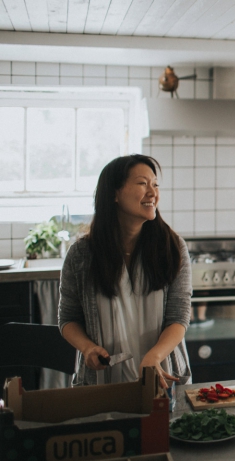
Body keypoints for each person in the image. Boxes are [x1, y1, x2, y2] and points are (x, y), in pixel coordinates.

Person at [59, 155, 192, 388]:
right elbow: (68, 318)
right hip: (101, 384)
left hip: (163, 379)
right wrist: (87, 348)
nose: (152, 192)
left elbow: (179, 318)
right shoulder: (81, 255)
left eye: (155, 184)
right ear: (115, 193)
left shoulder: (172, 247)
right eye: (142, 183)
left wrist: (154, 357)